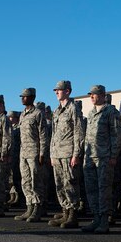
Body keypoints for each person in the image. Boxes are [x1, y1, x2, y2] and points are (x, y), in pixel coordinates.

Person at [81, 85, 121, 233]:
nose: (92, 97)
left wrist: (113, 155)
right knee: (91, 189)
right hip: (90, 157)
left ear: (103, 95)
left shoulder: (110, 112)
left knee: (104, 189)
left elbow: (117, 135)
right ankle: (96, 218)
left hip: (104, 157)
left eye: (94, 94)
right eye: (91, 95)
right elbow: (87, 137)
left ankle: (105, 220)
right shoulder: (91, 113)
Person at [48, 80, 85, 228]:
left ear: (68, 91)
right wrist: (51, 153)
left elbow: (78, 132)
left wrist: (76, 154)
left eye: (59, 90)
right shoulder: (57, 111)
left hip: (69, 153)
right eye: (55, 90)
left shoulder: (73, 108)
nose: (57, 92)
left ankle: (73, 215)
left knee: (70, 184)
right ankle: (65, 212)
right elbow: (54, 134)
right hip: (57, 154)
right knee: (60, 185)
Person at [14, 88, 49, 222]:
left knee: (36, 181)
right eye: (22, 96)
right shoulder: (23, 114)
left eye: (25, 96)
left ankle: (38, 208)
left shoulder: (38, 113)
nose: (22, 98)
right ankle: (29, 207)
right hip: (24, 153)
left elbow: (43, 135)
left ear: (32, 97)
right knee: (26, 181)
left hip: (34, 152)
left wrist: (42, 153)